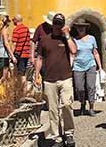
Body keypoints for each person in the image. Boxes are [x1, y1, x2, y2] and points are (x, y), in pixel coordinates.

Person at [35, 13, 77, 147]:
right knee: (52, 110)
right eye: (56, 24)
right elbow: (40, 58)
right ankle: (56, 137)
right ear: (52, 24)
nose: (58, 26)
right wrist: (36, 74)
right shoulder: (44, 40)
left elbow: (74, 51)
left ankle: (69, 133)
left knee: (66, 105)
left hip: (65, 77)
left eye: (60, 24)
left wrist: (67, 36)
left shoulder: (67, 39)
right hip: (49, 79)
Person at [72, 19, 102, 116]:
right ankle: (82, 103)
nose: (81, 28)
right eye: (79, 27)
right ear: (76, 28)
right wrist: (70, 65)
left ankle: (91, 107)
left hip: (90, 64)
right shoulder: (74, 40)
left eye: (83, 26)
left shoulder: (92, 38)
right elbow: (72, 54)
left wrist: (100, 67)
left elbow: (95, 52)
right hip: (77, 65)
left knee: (91, 86)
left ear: (86, 28)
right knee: (79, 88)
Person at [11, 14, 32, 88]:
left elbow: (14, 44)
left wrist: (11, 55)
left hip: (19, 54)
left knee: (21, 75)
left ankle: (23, 93)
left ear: (16, 20)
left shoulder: (16, 29)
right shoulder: (26, 29)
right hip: (26, 54)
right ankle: (23, 91)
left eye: (13, 20)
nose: (12, 21)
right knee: (23, 73)